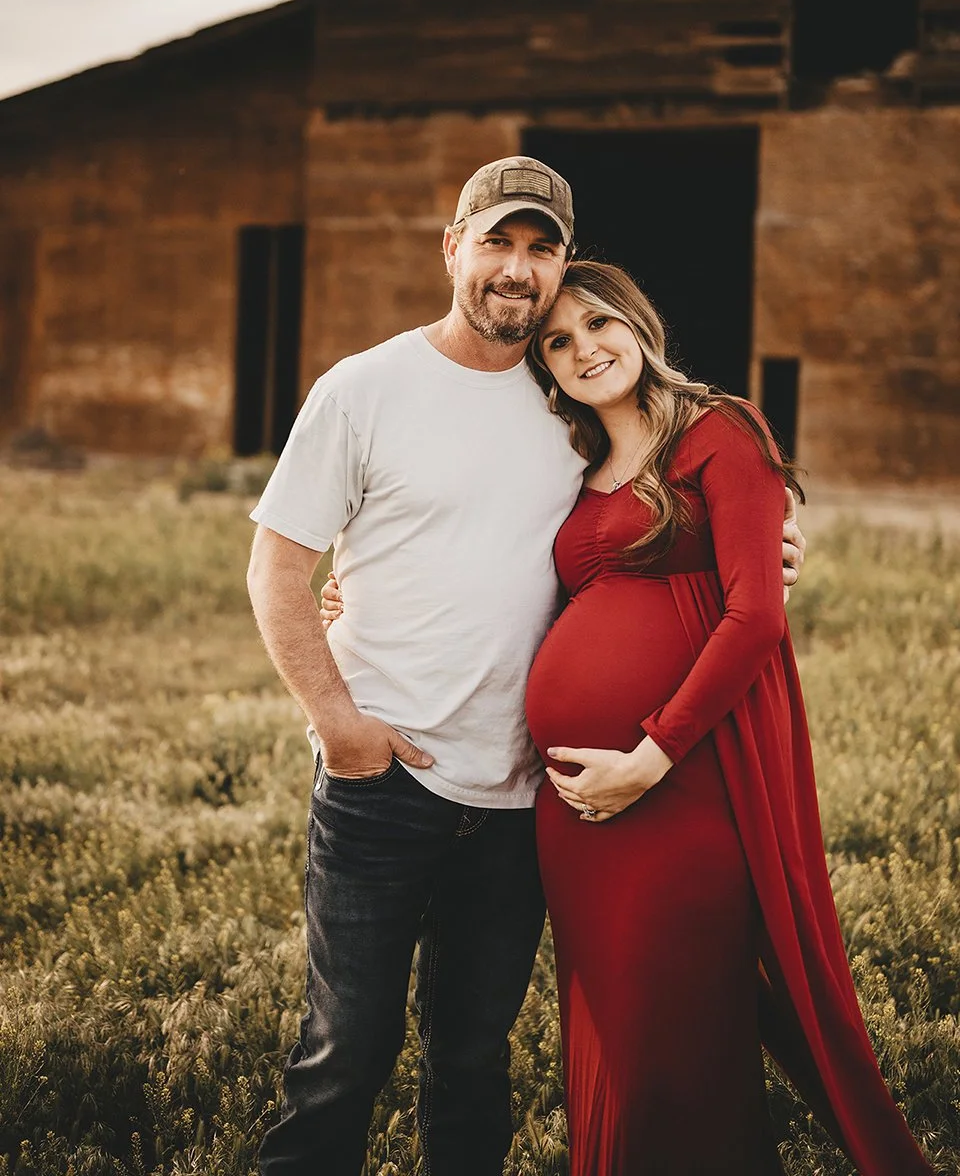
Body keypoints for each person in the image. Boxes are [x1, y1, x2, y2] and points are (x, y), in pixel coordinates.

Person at [246, 156, 805, 1176]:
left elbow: (651, 524)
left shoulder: (572, 405)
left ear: (564, 266)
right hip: (385, 784)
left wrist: (770, 550)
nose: (517, 267)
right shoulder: (365, 389)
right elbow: (279, 568)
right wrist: (340, 725)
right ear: (451, 249)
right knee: (345, 1055)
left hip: (519, 798)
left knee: (471, 1059)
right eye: (496, 242)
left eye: (541, 248)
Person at [518, 261, 933, 1175]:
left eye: (598, 324)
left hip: (687, 778)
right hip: (578, 812)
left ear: (638, 324)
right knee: (619, 1030)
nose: (585, 349)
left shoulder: (719, 430)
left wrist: (649, 756)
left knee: (679, 1028)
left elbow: (754, 617)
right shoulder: (572, 468)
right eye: (558, 341)